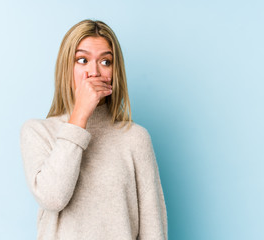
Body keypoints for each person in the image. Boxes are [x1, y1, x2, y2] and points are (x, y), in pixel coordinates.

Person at [19, 19, 168, 240]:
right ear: (66, 68)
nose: (94, 72)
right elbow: (53, 198)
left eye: (106, 62)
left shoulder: (135, 138)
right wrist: (79, 115)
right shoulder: (38, 132)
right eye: (82, 60)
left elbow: (153, 229)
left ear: (115, 72)